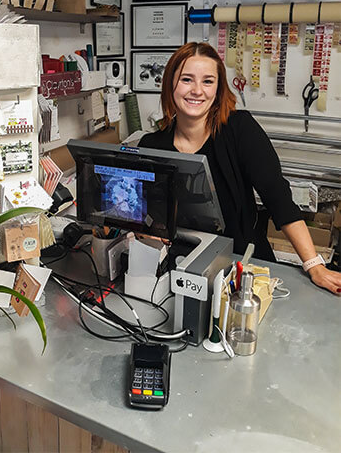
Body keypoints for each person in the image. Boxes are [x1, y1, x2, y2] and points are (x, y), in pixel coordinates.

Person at [138, 42, 341, 296]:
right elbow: (147, 215)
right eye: (187, 79)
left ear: (218, 89)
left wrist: (314, 266)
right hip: (179, 269)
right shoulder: (151, 145)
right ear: (170, 84)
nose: (197, 91)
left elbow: (279, 199)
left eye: (208, 81)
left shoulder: (239, 130)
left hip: (242, 268)